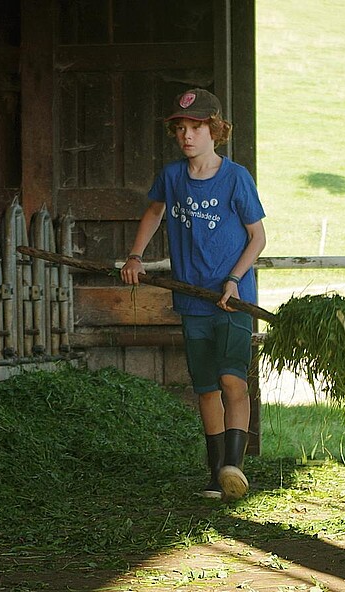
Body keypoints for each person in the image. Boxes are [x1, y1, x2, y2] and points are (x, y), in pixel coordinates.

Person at [120, 88, 266, 501]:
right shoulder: (172, 177)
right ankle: (216, 472)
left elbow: (258, 238)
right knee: (204, 388)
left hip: (232, 299)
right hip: (192, 299)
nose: (187, 136)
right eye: (181, 128)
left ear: (215, 131)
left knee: (231, 378)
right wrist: (135, 256)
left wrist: (234, 279)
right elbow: (153, 212)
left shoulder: (235, 177)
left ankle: (234, 466)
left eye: (196, 127)